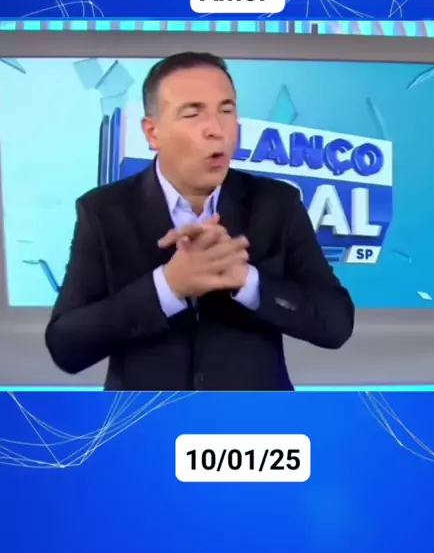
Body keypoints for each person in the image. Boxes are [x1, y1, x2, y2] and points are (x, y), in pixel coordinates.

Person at [45, 52, 354, 390]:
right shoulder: (103, 211)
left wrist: (248, 282)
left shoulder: (277, 203)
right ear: (152, 132)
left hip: (254, 417)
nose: (216, 129)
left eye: (226, 110)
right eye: (193, 113)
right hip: (146, 416)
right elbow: (66, 346)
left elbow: (336, 323)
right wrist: (167, 287)